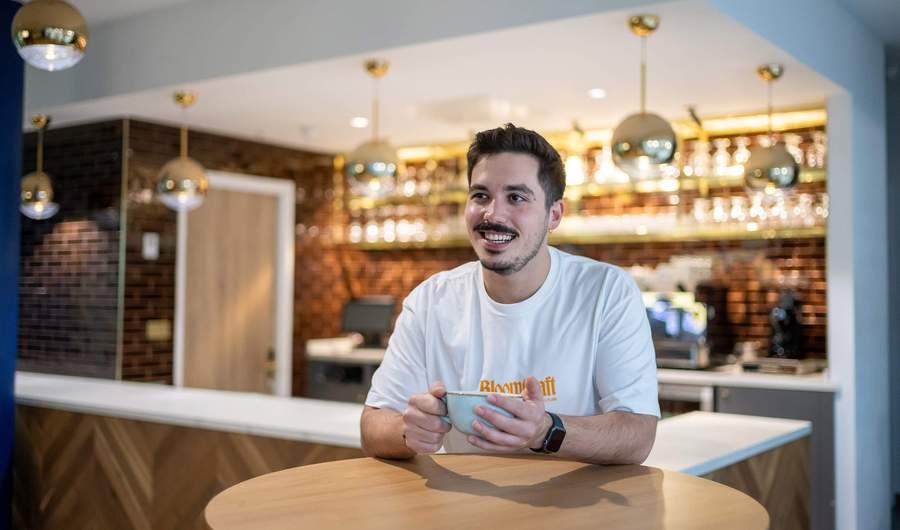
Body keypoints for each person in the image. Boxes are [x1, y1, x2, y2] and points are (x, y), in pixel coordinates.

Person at [360, 123, 659, 463]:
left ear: (554, 214)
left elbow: (638, 434)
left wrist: (547, 431)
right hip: (463, 508)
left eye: (516, 197)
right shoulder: (431, 300)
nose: (493, 213)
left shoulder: (606, 291)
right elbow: (372, 426)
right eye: (480, 195)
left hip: (575, 508)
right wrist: (408, 429)